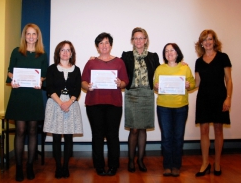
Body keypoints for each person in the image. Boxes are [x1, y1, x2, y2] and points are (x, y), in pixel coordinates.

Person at [81, 32, 129, 176]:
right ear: (97, 46)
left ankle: (114, 165)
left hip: (114, 104)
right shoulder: (91, 62)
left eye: (107, 42)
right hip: (94, 103)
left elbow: (125, 81)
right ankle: (99, 166)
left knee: (113, 135)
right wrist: (87, 86)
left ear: (111, 45)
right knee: (97, 135)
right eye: (101, 43)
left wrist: (121, 83)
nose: (104, 45)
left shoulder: (119, 62)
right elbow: (83, 81)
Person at [5, 23, 48, 182]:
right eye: (28, 34)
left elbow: (44, 75)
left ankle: (30, 165)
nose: (31, 37)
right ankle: (18, 167)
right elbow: (10, 70)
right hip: (19, 96)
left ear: (38, 36)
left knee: (32, 131)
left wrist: (41, 80)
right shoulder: (16, 51)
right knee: (20, 131)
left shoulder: (42, 54)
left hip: (34, 96)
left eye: (34, 34)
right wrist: (13, 79)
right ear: (25, 36)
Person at [121, 27, 160, 173]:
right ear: (132, 40)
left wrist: (181, 63)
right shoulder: (126, 56)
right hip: (131, 94)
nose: (138, 40)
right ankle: (131, 161)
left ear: (146, 40)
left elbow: (162, 71)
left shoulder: (153, 56)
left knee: (143, 128)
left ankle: (141, 160)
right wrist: (96, 58)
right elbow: (116, 67)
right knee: (134, 128)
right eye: (136, 38)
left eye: (141, 38)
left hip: (147, 94)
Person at [194, 29, 233, 177]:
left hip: (219, 97)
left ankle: (217, 162)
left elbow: (229, 80)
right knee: (203, 131)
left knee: (218, 130)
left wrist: (228, 97)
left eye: (210, 39)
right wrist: (181, 79)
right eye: (205, 40)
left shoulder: (223, 57)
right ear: (201, 43)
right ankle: (205, 163)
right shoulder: (198, 61)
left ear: (214, 41)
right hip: (203, 98)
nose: (208, 42)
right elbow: (196, 83)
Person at [154, 43, 195, 177]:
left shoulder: (185, 68)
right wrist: (156, 86)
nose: (169, 53)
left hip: (181, 107)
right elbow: (155, 86)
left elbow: (193, 84)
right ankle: (167, 165)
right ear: (164, 54)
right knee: (166, 137)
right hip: (164, 107)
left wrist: (188, 85)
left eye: (172, 50)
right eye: (166, 51)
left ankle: (176, 165)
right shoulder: (160, 68)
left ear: (177, 53)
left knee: (178, 137)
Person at [43, 40, 83, 179]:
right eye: (62, 50)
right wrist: (61, 103)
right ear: (58, 52)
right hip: (55, 104)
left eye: (68, 50)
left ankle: (65, 166)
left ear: (71, 53)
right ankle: (58, 167)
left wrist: (69, 102)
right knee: (56, 138)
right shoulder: (52, 69)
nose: (65, 52)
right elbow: (50, 88)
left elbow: (77, 89)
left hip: (71, 106)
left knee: (68, 138)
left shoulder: (76, 70)